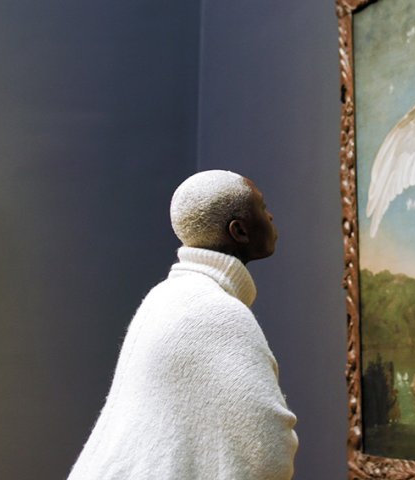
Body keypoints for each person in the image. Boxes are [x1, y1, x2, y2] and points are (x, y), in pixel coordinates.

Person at [69, 170, 297, 479]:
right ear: (239, 231)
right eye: (262, 206)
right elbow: (266, 451)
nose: (270, 216)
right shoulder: (218, 312)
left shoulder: (165, 297)